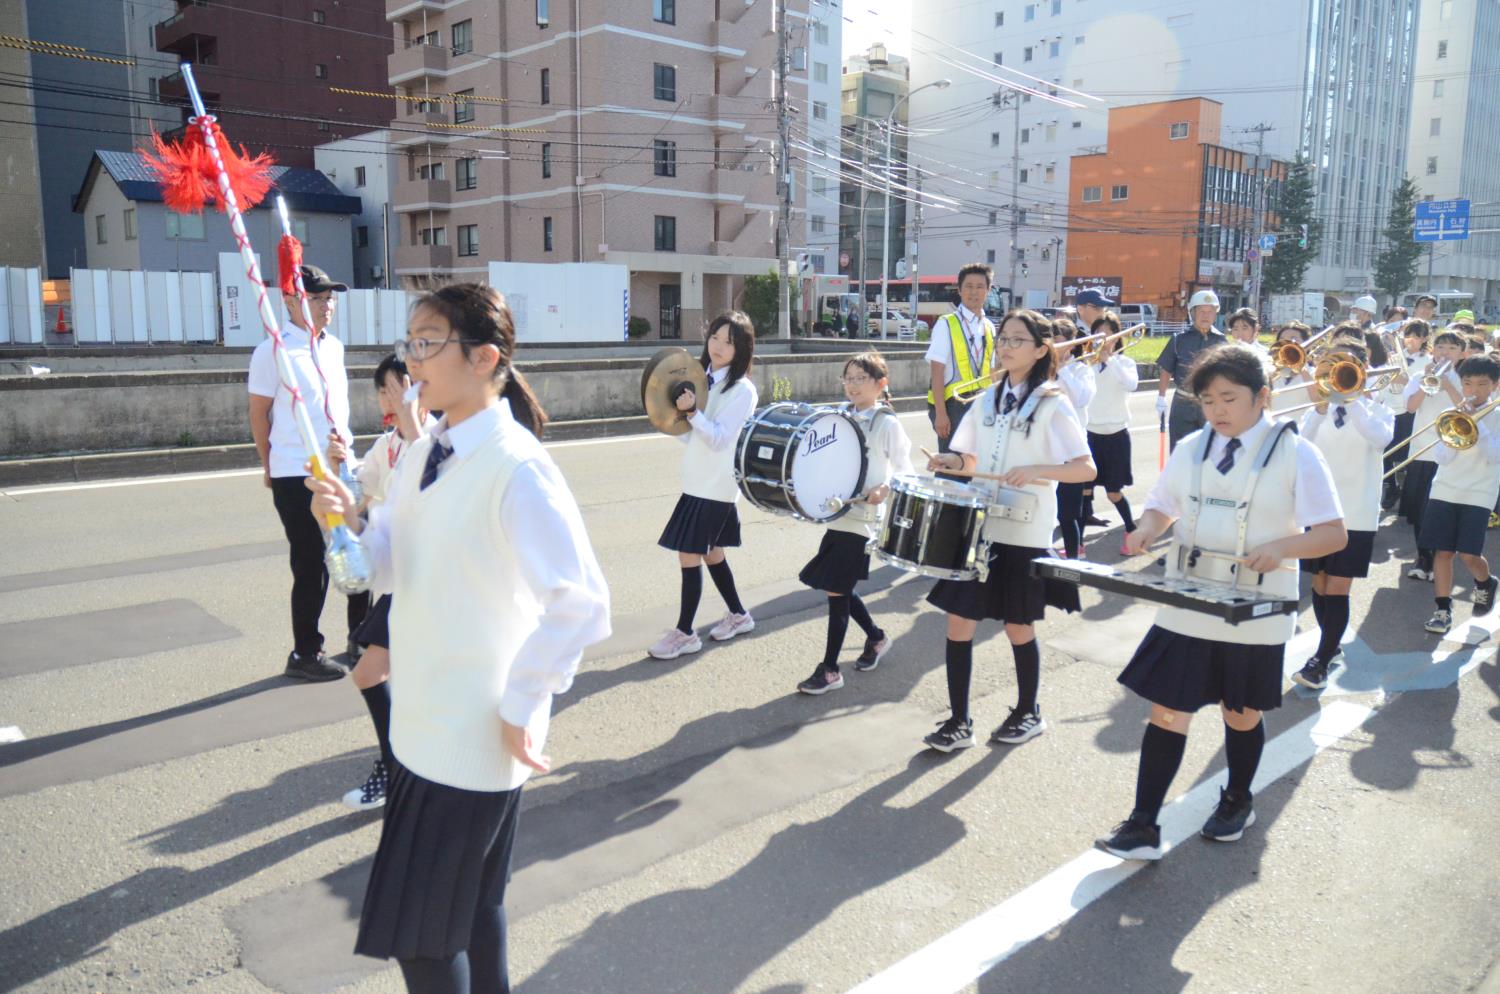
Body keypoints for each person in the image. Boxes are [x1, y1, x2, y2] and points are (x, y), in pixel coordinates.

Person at [307, 282, 610, 994]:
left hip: (470, 736)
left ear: (485, 357)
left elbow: (582, 602)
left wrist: (520, 703)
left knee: (423, 941)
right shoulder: (426, 448)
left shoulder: (518, 466)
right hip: (422, 723)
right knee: (475, 911)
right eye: (410, 341)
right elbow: (387, 561)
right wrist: (348, 522)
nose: (411, 358)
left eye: (427, 342)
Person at [1097, 343, 1346, 860]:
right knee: (1167, 710)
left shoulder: (1297, 450)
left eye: (1228, 399)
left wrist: (1280, 547)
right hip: (1190, 598)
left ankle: (1236, 798)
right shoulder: (1192, 446)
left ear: (1263, 396)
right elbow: (1162, 506)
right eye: (1208, 401)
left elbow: (1333, 534)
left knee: (1240, 711)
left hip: (1258, 607)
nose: (1217, 411)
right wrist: (1146, 529)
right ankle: (1143, 823)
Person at [921, 309, 1095, 752]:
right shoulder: (987, 398)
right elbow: (971, 460)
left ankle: (1028, 711)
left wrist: (1038, 468)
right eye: (1003, 338)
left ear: (1041, 350)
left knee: (1019, 625)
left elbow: (1085, 469)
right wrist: (951, 463)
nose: (1006, 346)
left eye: (1018, 340)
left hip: (1026, 531)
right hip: (981, 527)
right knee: (958, 622)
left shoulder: (1054, 402)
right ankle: (959, 721)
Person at [247, 263, 365, 683]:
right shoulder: (272, 351)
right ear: (291, 301)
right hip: (295, 472)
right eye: (317, 298)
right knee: (311, 562)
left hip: (341, 464)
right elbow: (259, 415)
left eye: (330, 297)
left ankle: (361, 637)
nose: (327, 305)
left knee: (359, 548)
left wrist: (344, 452)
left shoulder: (333, 347)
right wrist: (269, 465)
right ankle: (305, 652)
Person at [326, 354, 432, 810]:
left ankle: (402, 770)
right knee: (374, 675)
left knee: (398, 680)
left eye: (393, 391)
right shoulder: (387, 445)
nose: (386, 403)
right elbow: (357, 498)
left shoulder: (438, 441)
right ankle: (397, 767)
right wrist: (333, 469)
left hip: (433, 581)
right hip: (398, 578)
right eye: (381, 395)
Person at [796, 351, 915, 694]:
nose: (851, 385)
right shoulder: (840, 416)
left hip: (863, 519)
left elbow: (906, 472)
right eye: (847, 378)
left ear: (881, 384)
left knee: (836, 590)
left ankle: (830, 670)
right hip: (839, 513)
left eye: (860, 378)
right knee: (840, 587)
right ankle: (876, 638)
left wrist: (885, 487)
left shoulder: (886, 422)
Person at [649, 312, 759, 659]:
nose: (719, 346)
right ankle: (739, 615)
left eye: (729, 342)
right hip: (697, 480)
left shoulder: (742, 390)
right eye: (715, 337)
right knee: (712, 552)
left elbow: (720, 439)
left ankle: (685, 633)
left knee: (689, 553)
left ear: (741, 349)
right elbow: (691, 439)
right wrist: (675, 419)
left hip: (717, 485)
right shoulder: (701, 378)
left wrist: (694, 413)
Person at [1293, 339, 1394, 689]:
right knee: (1319, 583)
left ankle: (1320, 660)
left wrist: (1352, 400)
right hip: (1318, 510)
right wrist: (1321, 408)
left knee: (1337, 588)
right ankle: (1330, 646)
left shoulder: (1378, 408)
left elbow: (1378, 438)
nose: (1337, 373)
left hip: (1357, 512)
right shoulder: (1315, 411)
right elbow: (1299, 445)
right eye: (1332, 365)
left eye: (1346, 366)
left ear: (1363, 371)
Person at [1419, 354, 1500, 634]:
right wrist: (1457, 425)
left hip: (1479, 493)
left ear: (1495, 386)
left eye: (1482, 384)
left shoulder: (1498, 416)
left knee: (1469, 554)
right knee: (1443, 552)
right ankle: (1442, 610)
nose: (1474, 390)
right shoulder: (1454, 413)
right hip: (1445, 489)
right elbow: (1442, 457)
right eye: (1467, 383)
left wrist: (1476, 427)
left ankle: (1485, 582)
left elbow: (1494, 456)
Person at [1401, 330, 1466, 581]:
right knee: (1420, 509)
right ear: (1432, 350)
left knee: (1443, 508)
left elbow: (1466, 408)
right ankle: (1423, 557)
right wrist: (1428, 380)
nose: (1445, 353)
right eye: (1440, 347)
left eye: (1451, 348)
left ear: (1461, 353)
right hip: (1422, 450)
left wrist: (1448, 384)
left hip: (1452, 453)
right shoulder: (1420, 375)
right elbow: (1410, 407)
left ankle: (1439, 558)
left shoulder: (1466, 378)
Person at [926, 263, 996, 465]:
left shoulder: (989, 327)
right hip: (952, 406)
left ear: (988, 290)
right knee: (951, 466)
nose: (974, 292)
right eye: (969, 286)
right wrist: (940, 414)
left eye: (980, 286)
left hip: (981, 402)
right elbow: (936, 370)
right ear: (959, 290)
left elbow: (992, 372)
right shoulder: (946, 323)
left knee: (975, 465)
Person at [1083, 311, 1140, 554]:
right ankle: (1077, 543)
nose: (1103, 339)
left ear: (1117, 338)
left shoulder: (1125, 363)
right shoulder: (1085, 364)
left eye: (1108, 334)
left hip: (1116, 434)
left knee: (1114, 492)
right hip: (1089, 433)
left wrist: (1110, 360)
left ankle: (1132, 532)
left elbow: (1131, 385)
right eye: (1098, 334)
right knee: (1083, 490)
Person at [1157, 289, 1229, 451]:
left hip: (1211, 403)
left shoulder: (1222, 341)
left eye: (1210, 312)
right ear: (1192, 313)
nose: (1206, 315)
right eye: (1201, 311)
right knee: (1180, 450)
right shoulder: (1179, 340)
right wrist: (1161, 398)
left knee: (1211, 451)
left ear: (1215, 314)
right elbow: (1166, 369)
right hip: (1183, 401)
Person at [1052, 318, 1097, 559]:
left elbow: (1081, 399)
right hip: (1047, 448)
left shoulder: (1082, 369)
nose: (1051, 345)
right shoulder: (1040, 368)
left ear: (1070, 345)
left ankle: (1073, 559)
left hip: (1072, 451)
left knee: (1068, 513)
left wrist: (1061, 369)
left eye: (1057, 341)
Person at [1381, 319, 1431, 509]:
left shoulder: (1426, 360)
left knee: (1406, 453)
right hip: (1392, 407)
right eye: (1407, 335)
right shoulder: (1393, 357)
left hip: (1411, 411)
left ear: (1424, 338)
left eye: (1416, 336)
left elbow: (1425, 384)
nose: (1410, 340)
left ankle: (1408, 493)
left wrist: (1405, 380)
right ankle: (1391, 486)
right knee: (1386, 450)